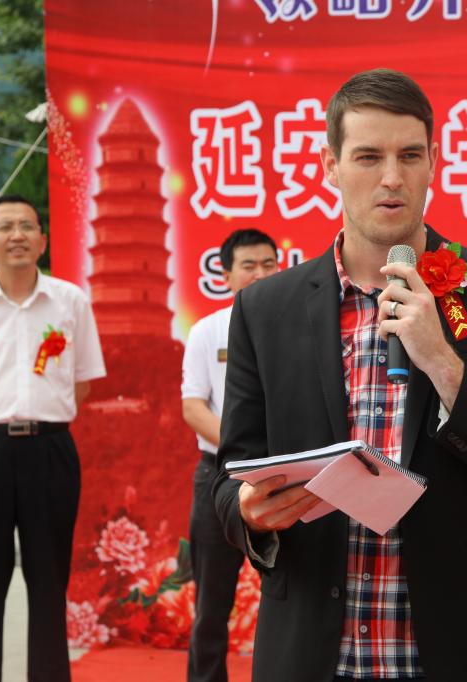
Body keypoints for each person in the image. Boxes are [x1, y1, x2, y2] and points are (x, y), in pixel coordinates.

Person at [212, 68, 467, 681]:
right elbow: (228, 477)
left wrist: (442, 362)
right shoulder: (265, 309)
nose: (392, 178)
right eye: (368, 156)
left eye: (409, 155)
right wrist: (248, 512)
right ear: (330, 166)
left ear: (434, 161)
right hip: (317, 655)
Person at [0, 195, 106, 681]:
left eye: (28, 226)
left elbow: (81, 383)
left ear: (43, 240)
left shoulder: (70, 301)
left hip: (49, 451)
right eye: (6, 226)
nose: (17, 235)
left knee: (49, 582)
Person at [182, 229, 278, 681]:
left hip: (284, 478)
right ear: (226, 275)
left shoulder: (299, 325)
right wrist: (244, 447)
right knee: (211, 605)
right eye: (248, 266)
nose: (260, 274)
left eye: (268, 265)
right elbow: (193, 407)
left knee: (290, 597)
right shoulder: (208, 330)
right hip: (219, 477)